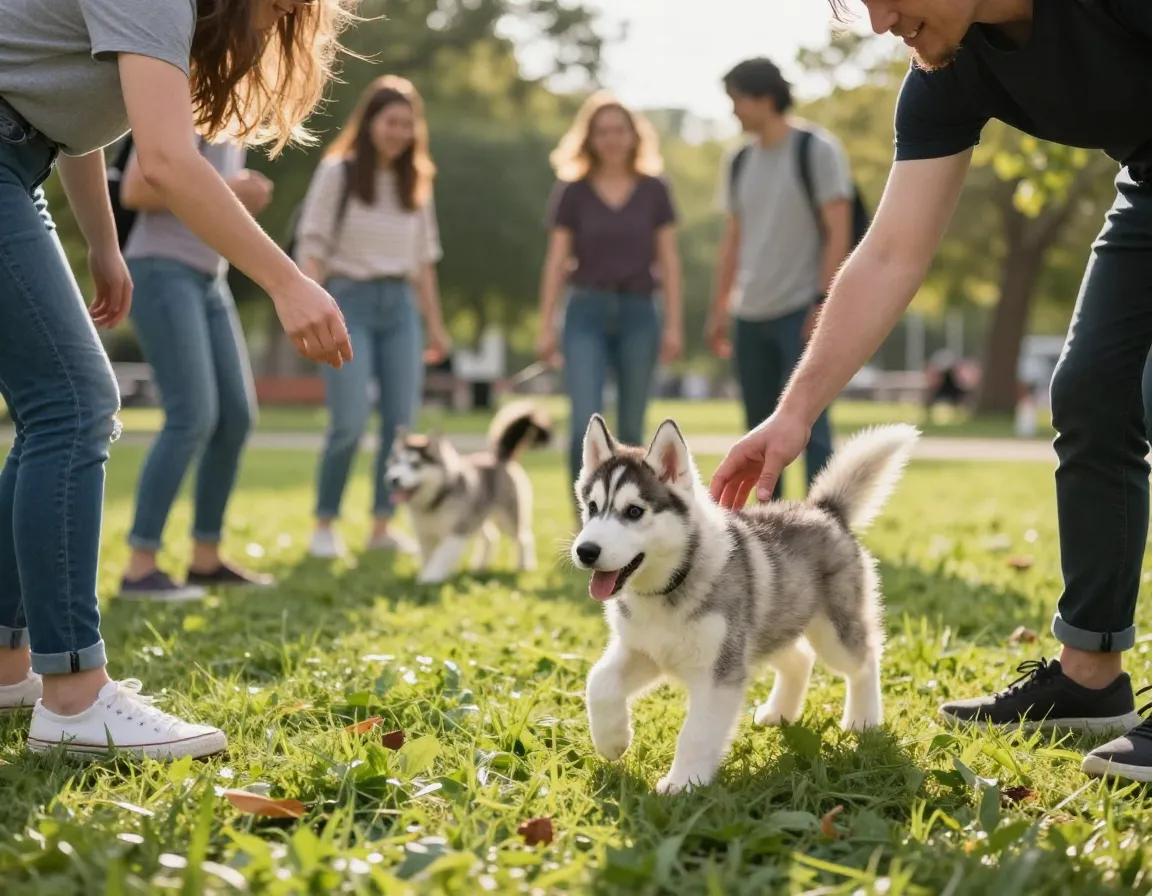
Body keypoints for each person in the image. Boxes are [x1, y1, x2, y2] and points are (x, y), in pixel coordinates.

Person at [710, 0, 1152, 784]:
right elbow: (889, 255)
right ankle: (1090, 675)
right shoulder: (948, 67)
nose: (879, 22)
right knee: (1091, 394)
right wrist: (794, 412)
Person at [0, 0, 355, 760]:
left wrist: (102, 243)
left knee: (50, 409)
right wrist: (288, 283)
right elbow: (164, 161)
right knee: (73, 405)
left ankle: (7, 670)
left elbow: (61, 109)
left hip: (19, 160)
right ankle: (74, 700)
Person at [294, 75, 451, 560]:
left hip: (400, 308)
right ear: (370, 122)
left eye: (408, 124)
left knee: (400, 424)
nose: (399, 132)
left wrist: (437, 326)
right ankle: (325, 523)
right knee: (349, 421)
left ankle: (382, 525)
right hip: (347, 302)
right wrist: (309, 304)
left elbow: (424, 264)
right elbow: (312, 245)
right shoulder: (337, 173)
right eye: (391, 121)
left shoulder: (417, 182)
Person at [117, 136, 276, 600]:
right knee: (192, 415)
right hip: (161, 269)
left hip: (210, 278)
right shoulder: (187, 98)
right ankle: (140, 566)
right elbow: (136, 191)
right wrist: (231, 190)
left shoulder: (233, 121)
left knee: (235, 417)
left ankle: (206, 558)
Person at [705, 57, 854, 500]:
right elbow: (732, 240)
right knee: (757, 428)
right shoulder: (738, 161)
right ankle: (772, 519)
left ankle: (825, 520)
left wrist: (823, 302)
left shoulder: (817, 150)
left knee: (809, 422)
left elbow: (839, 230)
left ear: (763, 98)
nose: (732, 111)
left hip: (800, 309)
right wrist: (719, 308)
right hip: (749, 313)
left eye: (736, 100)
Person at [536, 90, 684, 492]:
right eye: (602, 132)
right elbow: (555, 262)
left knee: (634, 425)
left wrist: (673, 325)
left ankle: (630, 522)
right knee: (586, 420)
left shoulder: (655, 190)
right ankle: (589, 521)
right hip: (585, 311)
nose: (612, 139)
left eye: (619, 130)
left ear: (634, 136)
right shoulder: (572, 191)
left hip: (640, 312)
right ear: (589, 138)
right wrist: (546, 325)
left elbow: (669, 262)